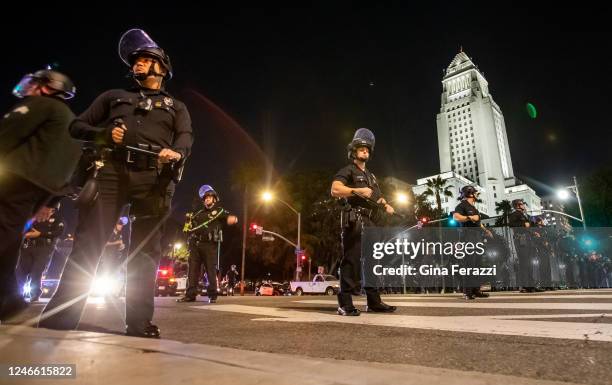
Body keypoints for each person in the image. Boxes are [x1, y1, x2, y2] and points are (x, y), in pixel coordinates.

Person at [39, 29, 193, 338]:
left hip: (154, 179)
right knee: (88, 244)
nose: (138, 65)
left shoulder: (176, 108)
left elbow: (186, 138)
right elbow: (76, 125)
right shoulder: (113, 97)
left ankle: (138, 323)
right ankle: (60, 317)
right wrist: (105, 134)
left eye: (146, 60)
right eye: (135, 61)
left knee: (145, 252)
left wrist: (175, 152)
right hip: (111, 173)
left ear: (162, 68)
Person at [0, 69, 80, 321]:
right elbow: (70, 170)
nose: (30, 88)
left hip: (14, 180)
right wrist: (50, 201)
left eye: (35, 84)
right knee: (9, 239)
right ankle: (9, 299)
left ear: (46, 87)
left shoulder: (39, 105)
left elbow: (6, 135)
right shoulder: (70, 122)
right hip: (40, 192)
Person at [330, 128, 397, 316]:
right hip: (354, 220)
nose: (365, 151)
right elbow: (335, 190)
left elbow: (377, 197)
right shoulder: (348, 170)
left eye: (367, 149)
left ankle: (374, 302)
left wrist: (386, 205)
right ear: (353, 151)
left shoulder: (371, 176)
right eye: (361, 148)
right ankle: (344, 303)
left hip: (370, 222)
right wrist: (355, 191)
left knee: (373, 261)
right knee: (351, 261)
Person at [178, 185, 238, 303]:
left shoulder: (219, 211)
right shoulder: (198, 213)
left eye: (209, 197)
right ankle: (190, 295)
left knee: (211, 270)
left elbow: (232, 218)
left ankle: (212, 295)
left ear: (214, 199)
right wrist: (187, 224)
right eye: (205, 198)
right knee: (192, 271)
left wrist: (233, 219)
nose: (207, 199)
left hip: (209, 245)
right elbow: (189, 227)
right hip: (195, 244)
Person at [16, 204, 65, 302]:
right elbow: (24, 227)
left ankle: (35, 294)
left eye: (51, 210)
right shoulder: (34, 216)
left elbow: (59, 232)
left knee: (36, 272)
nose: (47, 213)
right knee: (21, 271)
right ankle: (17, 294)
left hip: (44, 248)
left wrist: (40, 234)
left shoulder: (58, 219)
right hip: (28, 246)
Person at [452, 185, 492, 299]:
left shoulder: (474, 207)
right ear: (470, 193)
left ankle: (476, 290)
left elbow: (478, 221)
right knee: (469, 265)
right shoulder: (462, 205)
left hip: (477, 238)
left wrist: (486, 230)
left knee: (477, 265)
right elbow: (456, 217)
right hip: (468, 238)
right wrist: (469, 217)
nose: (477, 194)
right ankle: (467, 292)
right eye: (475, 192)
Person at [508, 199, 537, 293]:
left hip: (528, 240)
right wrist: (524, 224)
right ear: (517, 206)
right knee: (524, 263)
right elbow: (512, 225)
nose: (524, 205)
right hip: (521, 240)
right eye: (522, 204)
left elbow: (528, 227)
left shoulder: (524, 215)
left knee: (529, 263)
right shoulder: (514, 214)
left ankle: (531, 285)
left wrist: (533, 233)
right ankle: (524, 286)